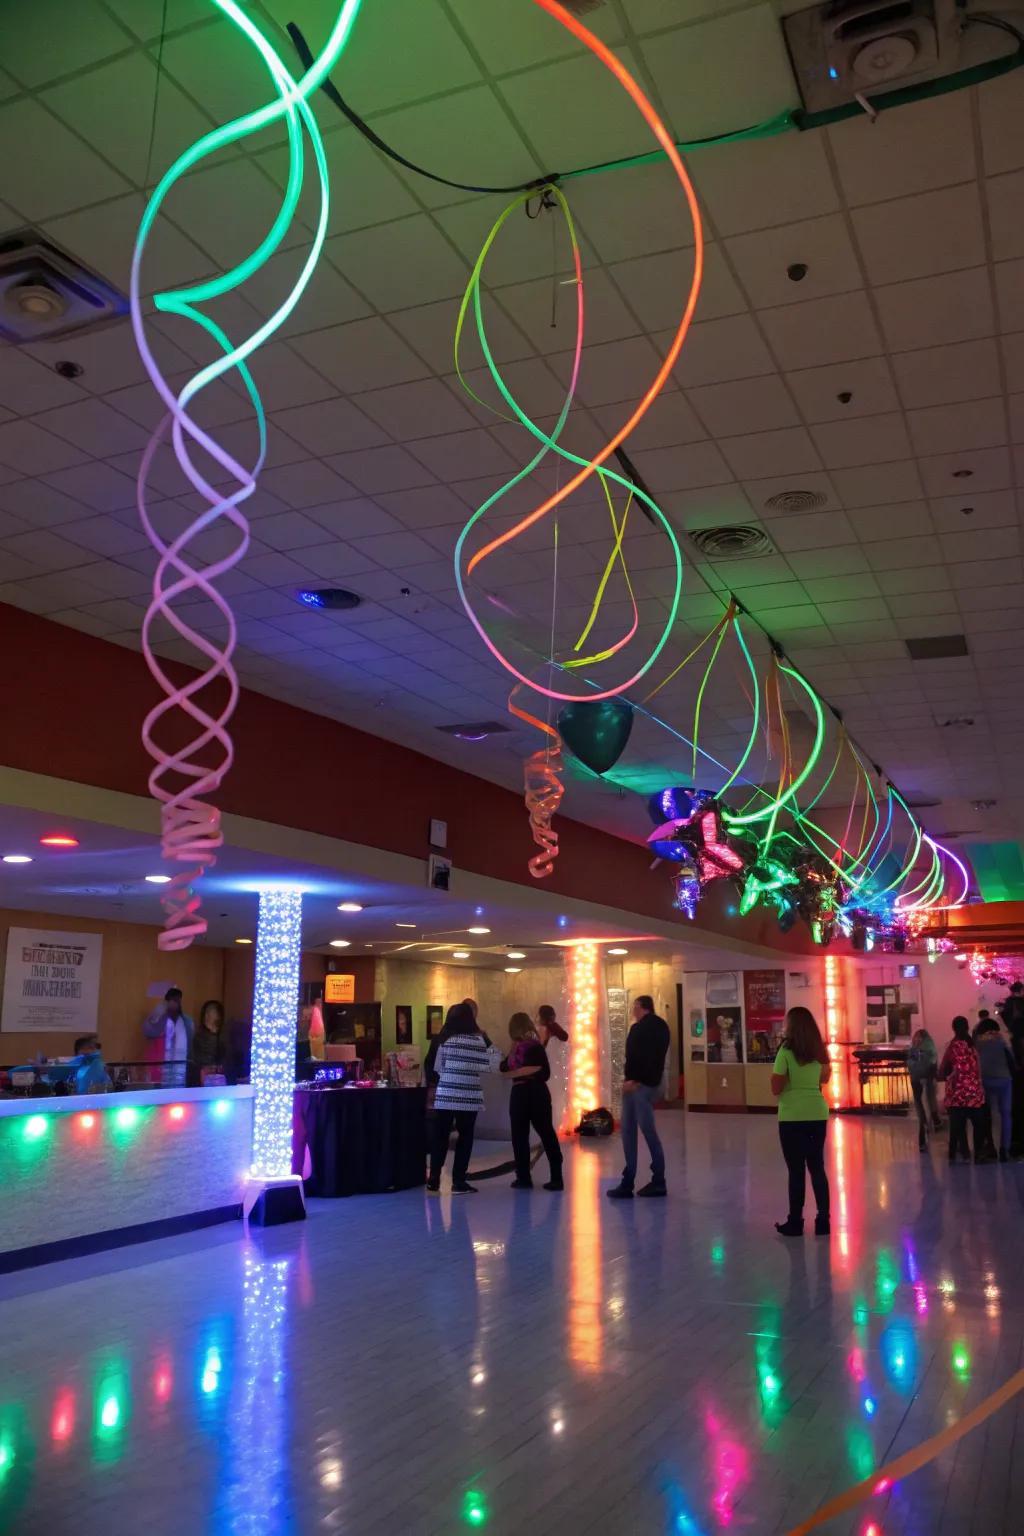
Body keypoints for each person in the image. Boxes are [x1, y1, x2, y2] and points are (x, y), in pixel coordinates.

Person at [427, 1002, 500, 1195]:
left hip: (445, 1095)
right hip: (469, 1097)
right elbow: (496, 1062)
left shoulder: (443, 1040)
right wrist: (485, 1037)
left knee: (440, 1136)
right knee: (465, 1137)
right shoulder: (477, 1041)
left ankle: (433, 1179)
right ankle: (458, 1181)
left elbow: (437, 1068)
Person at [770, 1007, 831, 1237]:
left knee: (796, 1171)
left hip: (792, 1116)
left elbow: (776, 1087)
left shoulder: (785, 1050)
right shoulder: (820, 1051)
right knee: (817, 1167)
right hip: (817, 1114)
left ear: (791, 1025)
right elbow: (824, 1078)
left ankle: (795, 1222)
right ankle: (823, 1221)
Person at [607, 995, 670, 1200]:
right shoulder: (662, 1027)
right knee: (650, 1133)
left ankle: (629, 1182)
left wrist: (632, 1081)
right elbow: (657, 1057)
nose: (632, 1011)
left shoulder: (638, 1029)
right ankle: (658, 1178)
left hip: (636, 1087)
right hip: (654, 1083)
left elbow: (634, 1056)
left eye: (634, 1007)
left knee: (629, 1132)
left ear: (641, 1007)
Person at [501, 1012, 564, 1192]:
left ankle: (523, 1177)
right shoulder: (536, 1047)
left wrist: (518, 1071)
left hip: (520, 1093)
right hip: (538, 1093)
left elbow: (504, 1068)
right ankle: (556, 1177)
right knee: (547, 1133)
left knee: (519, 1136)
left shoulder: (516, 1050)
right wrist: (530, 1070)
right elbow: (544, 1073)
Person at [938, 1017, 990, 1164]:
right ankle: (979, 1153)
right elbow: (980, 1068)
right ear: (967, 1027)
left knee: (958, 1127)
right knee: (978, 1126)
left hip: (957, 1094)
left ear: (953, 1028)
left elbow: (942, 1072)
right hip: (974, 1093)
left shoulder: (952, 1047)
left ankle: (961, 1153)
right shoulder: (974, 1046)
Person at [975, 1016, 1016, 1162]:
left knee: (987, 1116)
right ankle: (1004, 1149)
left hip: (985, 1081)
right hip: (1005, 1080)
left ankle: (990, 1147)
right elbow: (1012, 1058)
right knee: (1006, 1115)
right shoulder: (1002, 1041)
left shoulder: (978, 1043)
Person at [143, 987, 193, 1088]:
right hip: (160, 1072)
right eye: (171, 1000)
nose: (174, 1003)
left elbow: (190, 1045)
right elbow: (147, 1031)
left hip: (181, 1072)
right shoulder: (160, 1019)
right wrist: (156, 1014)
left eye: (176, 1000)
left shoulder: (187, 1022)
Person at [907, 1028, 941, 1152]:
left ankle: (924, 1131)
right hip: (927, 1081)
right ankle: (931, 1123)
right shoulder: (930, 1049)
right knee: (927, 1105)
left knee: (920, 1106)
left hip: (917, 1080)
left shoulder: (914, 1049)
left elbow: (910, 1063)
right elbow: (933, 1064)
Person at [192, 999, 225, 1082]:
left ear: (218, 1015)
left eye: (211, 1012)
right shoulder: (199, 1036)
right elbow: (197, 1060)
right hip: (202, 1078)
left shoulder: (224, 1036)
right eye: (205, 1013)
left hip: (219, 1079)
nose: (207, 1016)